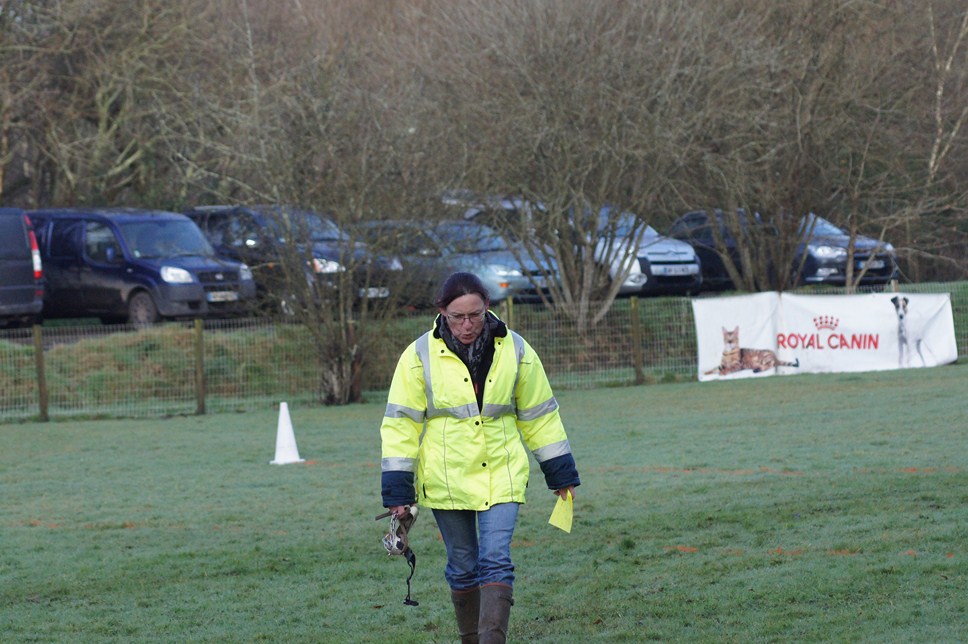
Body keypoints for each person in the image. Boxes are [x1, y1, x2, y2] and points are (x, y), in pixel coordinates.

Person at [380, 271, 581, 643]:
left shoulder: (517, 349)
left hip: (502, 471)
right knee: (461, 567)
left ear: (487, 308)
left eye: (475, 315)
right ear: (442, 312)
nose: (467, 325)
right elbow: (400, 425)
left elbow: (540, 414)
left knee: (496, 560)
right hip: (445, 477)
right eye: (458, 317)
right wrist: (397, 491)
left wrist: (560, 472)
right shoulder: (417, 355)